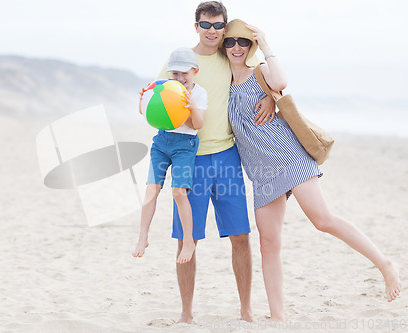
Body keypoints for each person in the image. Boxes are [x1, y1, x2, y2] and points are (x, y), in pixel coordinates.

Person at [222, 18, 402, 321]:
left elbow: (280, 82)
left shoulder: (260, 71)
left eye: (243, 41)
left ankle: (385, 265)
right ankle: (277, 316)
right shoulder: (221, 82)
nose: (237, 47)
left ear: (251, 45)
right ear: (223, 46)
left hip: (288, 157)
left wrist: (266, 44)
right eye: (231, 42)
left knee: (323, 220)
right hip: (260, 171)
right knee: (269, 243)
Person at [157, 1, 276, 324]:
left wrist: (269, 96)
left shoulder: (230, 56)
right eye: (206, 25)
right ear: (196, 26)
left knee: (240, 236)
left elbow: (259, 78)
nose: (212, 31)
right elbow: (156, 104)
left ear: (225, 27)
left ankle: (246, 310)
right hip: (189, 158)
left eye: (218, 25)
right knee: (187, 239)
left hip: (226, 157)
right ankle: (186, 314)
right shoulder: (180, 61)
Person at [133, 47, 208, 264]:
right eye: (175, 73)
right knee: (151, 189)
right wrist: (143, 101)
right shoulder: (165, 88)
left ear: (195, 71)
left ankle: (188, 241)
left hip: (185, 145)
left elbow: (198, 124)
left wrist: (190, 106)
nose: (180, 77)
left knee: (178, 193)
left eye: (185, 73)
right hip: (162, 141)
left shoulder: (200, 93)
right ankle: (143, 237)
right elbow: (149, 114)